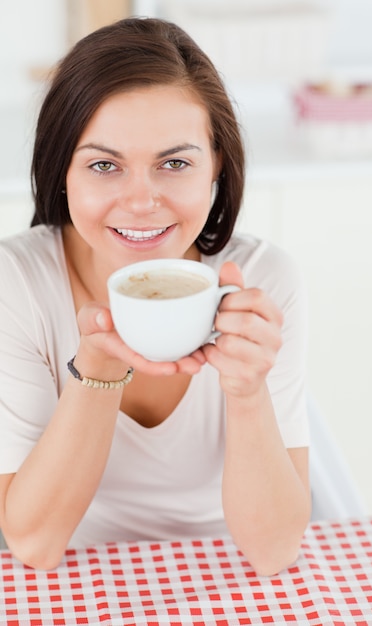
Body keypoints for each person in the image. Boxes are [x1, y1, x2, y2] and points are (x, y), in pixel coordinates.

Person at [0, 17, 310, 575]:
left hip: (224, 573)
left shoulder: (266, 279)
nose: (141, 202)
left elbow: (273, 552)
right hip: (78, 574)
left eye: (175, 163)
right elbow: (35, 544)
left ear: (216, 164)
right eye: (103, 165)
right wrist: (96, 362)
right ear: (62, 172)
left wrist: (245, 392)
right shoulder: (16, 283)